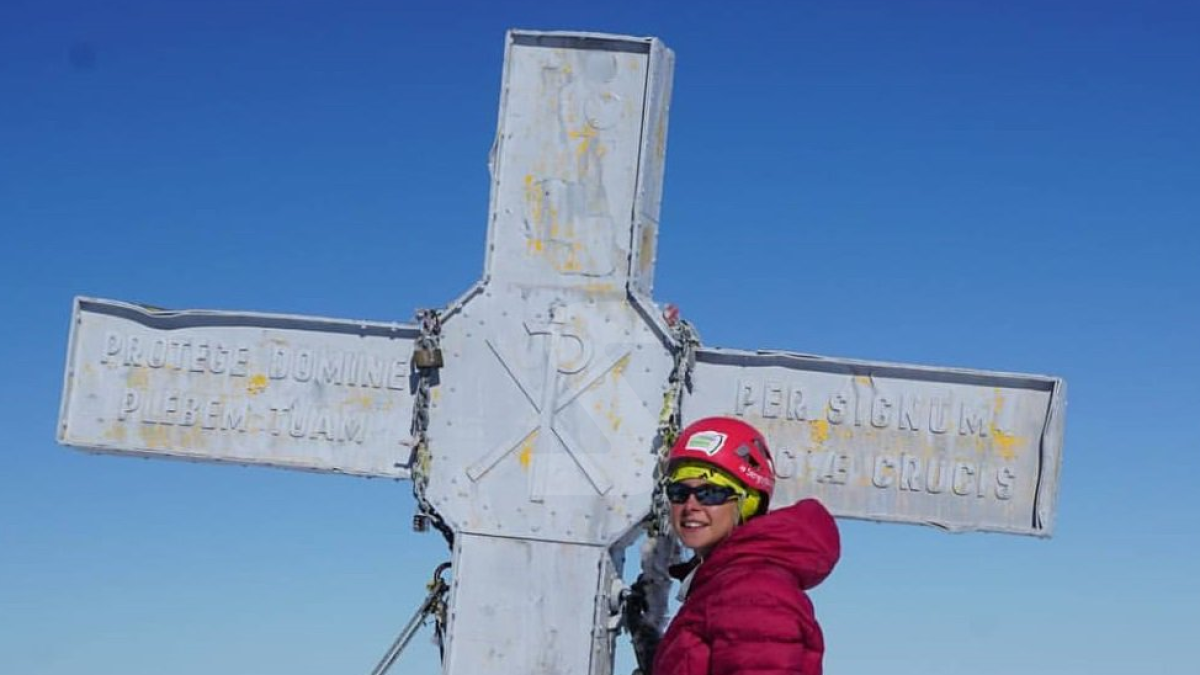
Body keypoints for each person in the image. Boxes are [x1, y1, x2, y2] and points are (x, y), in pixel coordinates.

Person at [652, 417, 841, 675]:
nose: (690, 506)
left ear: (748, 502)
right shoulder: (724, 584)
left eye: (711, 493)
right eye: (679, 492)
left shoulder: (753, 591)